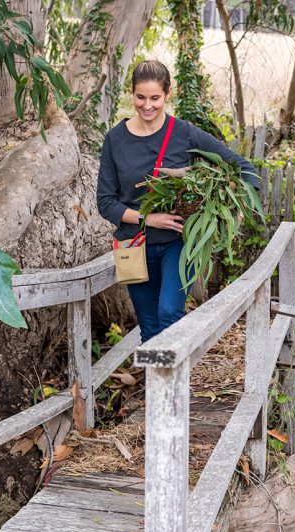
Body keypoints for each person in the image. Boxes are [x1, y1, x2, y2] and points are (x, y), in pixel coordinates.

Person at [96, 60, 259, 343]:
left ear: (167, 94)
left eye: (155, 98)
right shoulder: (115, 140)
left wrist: (237, 206)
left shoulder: (184, 133)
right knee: (148, 327)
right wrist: (149, 219)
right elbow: (106, 202)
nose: (147, 106)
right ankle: (154, 386)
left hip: (178, 242)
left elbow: (243, 168)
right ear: (131, 94)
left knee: (169, 314)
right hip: (135, 245)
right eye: (141, 97)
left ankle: (174, 386)